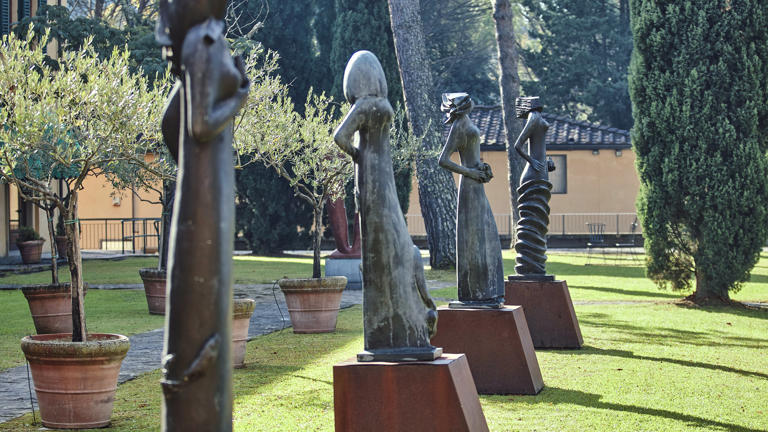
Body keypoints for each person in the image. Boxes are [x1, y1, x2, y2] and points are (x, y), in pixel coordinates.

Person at [156, 0, 249, 429]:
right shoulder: (204, 40)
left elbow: (171, 116)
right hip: (206, 191)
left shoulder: (208, 37)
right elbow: (197, 124)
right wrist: (240, 98)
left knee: (210, 299)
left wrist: (189, 166)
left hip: (208, 183)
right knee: (205, 300)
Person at [333, 51, 440, 362]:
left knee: (377, 245)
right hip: (386, 173)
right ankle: (406, 317)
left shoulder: (363, 106)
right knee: (392, 235)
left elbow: (339, 137)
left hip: (368, 174)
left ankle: (386, 324)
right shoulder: (385, 106)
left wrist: (357, 156)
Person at [438, 92, 504, 308]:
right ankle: (473, 292)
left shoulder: (466, 122)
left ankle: (487, 289)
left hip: (476, 182)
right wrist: (470, 172)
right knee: (474, 238)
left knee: (485, 235)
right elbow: (443, 160)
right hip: (470, 185)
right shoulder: (458, 126)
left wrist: (481, 168)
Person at [512, 96, 555, 276]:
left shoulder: (536, 117)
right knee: (533, 220)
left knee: (538, 220)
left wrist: (545, 162)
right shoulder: (534, 118)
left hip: (540, 171)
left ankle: (534, 267)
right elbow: (518, 145)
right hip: (533, 173)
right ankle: (530, 268)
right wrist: (533, 161)